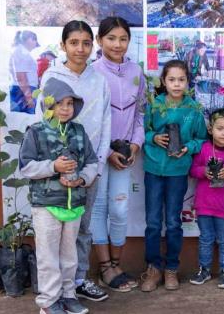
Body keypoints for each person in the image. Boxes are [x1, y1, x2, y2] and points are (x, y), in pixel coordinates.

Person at [40, 20, 112, 303]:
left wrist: (98, 165)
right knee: (56, 229)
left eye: (85, 43)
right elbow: (42, 121)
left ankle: (78, 281)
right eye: (73, 43)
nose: (80, 49)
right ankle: (54, 288)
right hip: (58, 168)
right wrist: (54, 164)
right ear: (63, 46)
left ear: (92, 45)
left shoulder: (99, 80)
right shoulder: (51, 78)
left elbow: (106, 122)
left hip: (89, 168)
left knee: (82, 227)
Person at [20, 78, 99, 314]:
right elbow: (26, 167)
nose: (66, 108)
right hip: (46, 205)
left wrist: (81, 179)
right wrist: (54, 166)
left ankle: (68, 295)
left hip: (73, 204)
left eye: (70, 103)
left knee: (69, 254)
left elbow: (92, 162)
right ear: (48, 105)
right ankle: (49, 302)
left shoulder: (79, 131)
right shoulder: (36, 132)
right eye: (60, 104)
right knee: (47, 256)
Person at [89, 17, 145, 293]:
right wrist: (107, 151)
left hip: (125, 153)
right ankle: (104, 268)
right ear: (100, 41)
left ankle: (116, 263)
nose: (117, 44)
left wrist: (135, 144)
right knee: (98, 208)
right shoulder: (92, 72)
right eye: (111, 38)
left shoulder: (136, 71)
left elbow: (140, 113)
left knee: (120, 208)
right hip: (99, 153)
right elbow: (89, 120)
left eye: (123, 38)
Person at [140, 60, 208, 292]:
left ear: (188, 82)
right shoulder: (155, 105)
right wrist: (153, 138)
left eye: (181, 80)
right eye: (172, 80)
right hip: (153, 169)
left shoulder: (194, 110)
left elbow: (201, 139)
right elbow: (144, 131)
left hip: (178, 172)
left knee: (172, 222)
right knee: (152, 222)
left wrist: (189, 147)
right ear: (163, 81)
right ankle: (153, 268)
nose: (177, 84)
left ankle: (171, 268)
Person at [188, 108, 224, 289]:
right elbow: (192, 170)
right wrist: (204, 171)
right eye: (220, 128)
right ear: (210, 129)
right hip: (204, 205)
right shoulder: (204, 148)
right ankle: (204, 270)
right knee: (205, 238)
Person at [9, 30, 40, 114]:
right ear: (29, 39)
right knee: (26, 119)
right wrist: (29, 97)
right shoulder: (21, 52)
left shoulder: (21, 51)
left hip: (23, 89)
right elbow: (21, 76)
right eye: (35, 40)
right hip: (24, 90)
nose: (35, 43)